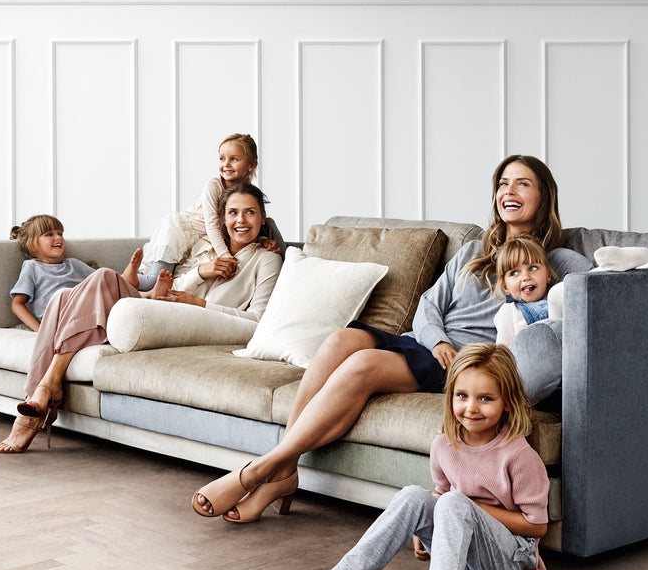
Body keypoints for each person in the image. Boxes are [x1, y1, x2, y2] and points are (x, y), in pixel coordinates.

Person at [190, 154, 591, 523]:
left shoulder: (557, 260)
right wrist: (434, 340)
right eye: (503, 183)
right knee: (340, 341)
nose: (509, 191)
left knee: (362, 366)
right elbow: (428, 305)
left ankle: (260, 469)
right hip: (428, 343)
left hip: (465, 364)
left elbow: (598, 295)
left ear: (544, 196)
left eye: (522, 184)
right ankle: (285, 472)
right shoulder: (472, 250)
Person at [0, 182, 283, 454]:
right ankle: (41, 397)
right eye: (233, 212)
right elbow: (174, 289)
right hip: (166, 306)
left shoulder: (266, 258)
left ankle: (43, 390)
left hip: (202, 321)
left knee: (104, 277)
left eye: (250, 212)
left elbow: (256, 319)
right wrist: (199, 272)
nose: (241, 220)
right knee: (60, 298)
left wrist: (201, 303)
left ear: (262, 218)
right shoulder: (204, 248)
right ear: (221, 219)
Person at [296, 343, 549, 570]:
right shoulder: (444, 444)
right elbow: (439, 494)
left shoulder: (518, 454)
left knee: (454, 501)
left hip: (507, 560)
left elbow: (536, 526)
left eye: (485, 398)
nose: (471, 408)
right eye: (462, 396)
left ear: (507, 402)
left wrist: (466, 506)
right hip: (461, 556)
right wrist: (422, 530)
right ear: (451, 395)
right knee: (412, 495)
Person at [492, 227, 648, 345]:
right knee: (564, 291)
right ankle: (612, 267)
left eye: (533, 268)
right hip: (533, 370)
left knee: (586, 282)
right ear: (505, 286)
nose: (526, 277)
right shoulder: (509, 312)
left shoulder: (561, 292)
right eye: (514, 273)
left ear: (548, 274)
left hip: (573, 355)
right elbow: (504, 359)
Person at [123, 133, 278, 295]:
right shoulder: (214, 185)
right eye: (222, 159)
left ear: (252, 165)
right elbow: (212, 225)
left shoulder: (247, 194)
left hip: (199, 239)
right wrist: (225, 255)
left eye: (234, 159)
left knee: (166, 281)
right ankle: (123, 278)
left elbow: (248, 225)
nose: (226, 164)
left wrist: (264, 240)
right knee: (152, 281)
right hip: (181, 231)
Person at [8, 215, 98, 331]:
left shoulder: (74, 264)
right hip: (58, 320)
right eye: (49, 234)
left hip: (84, 314)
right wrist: (40, 330)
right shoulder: (32, 267)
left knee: (105, 275)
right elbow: (17, 304)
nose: (58, 237)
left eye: (60, 234)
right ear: (32, 244)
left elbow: (104, 281)